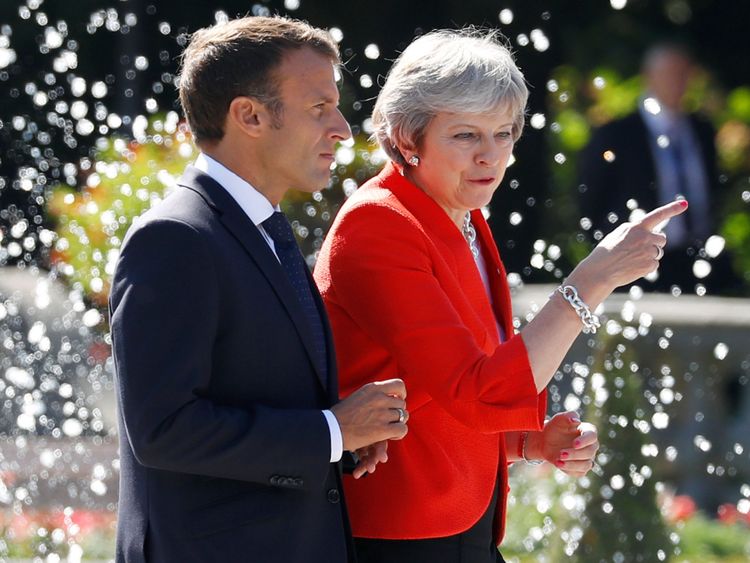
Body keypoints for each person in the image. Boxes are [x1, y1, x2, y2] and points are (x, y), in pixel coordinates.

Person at [313, 29, 688, 563]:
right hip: (399, 533)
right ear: (406, 137)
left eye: (505, 133)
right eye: (467, 136)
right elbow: (475, 391)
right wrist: (591, 282)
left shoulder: (458, 209)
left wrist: (529, 442)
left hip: (463, 525)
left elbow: (442, 390)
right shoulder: (380, 223)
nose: (492, 157)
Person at [109, 16, 409, 563]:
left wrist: (341, 440)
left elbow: (257, 396)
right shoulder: (174, 238)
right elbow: (165, 430)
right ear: (248, 115)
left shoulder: (260, 227)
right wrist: (329, 432)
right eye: (319, 108)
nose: (342, 128)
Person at [579, 42, 735, 293]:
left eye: (683, 74)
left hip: (698, 259)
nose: (677, 82)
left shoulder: (702, 131)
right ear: (648, 77)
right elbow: (592, 200)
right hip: (638, 264)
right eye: (669, 74)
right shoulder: (617, 134)